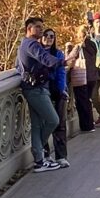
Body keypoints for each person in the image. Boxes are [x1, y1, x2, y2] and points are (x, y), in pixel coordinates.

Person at [16, 17, 65, 172]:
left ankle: (39, 161)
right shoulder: (30, 44)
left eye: (41, 27)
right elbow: (45, 58)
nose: (41, 30)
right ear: (29, 28)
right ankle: (38, 150)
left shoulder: (25, 45)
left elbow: (18, 66)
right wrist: (63, 61)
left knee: (37, 125)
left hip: (35, 88)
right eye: (37, 27)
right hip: (35, 89)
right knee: (53, 120)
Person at [41, 28, 75, 167]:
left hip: (57, 91)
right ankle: (45, 154)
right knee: (44, 124)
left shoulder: (58, 53)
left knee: (60, 124)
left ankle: (61, 156)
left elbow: (61, 72)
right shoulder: (38, 53)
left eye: (52, 36)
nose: (49, 38)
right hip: (43, 92)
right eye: (46, 35)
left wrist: (62, 89)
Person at [67, 26, 96, 133]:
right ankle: (90, 123)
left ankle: (86, 125)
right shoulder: (93, 45)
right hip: (92, 76)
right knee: (88, 100)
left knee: (81, 102)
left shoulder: (78, 47)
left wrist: (67, 49)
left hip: (81, 76)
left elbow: (69, 59)